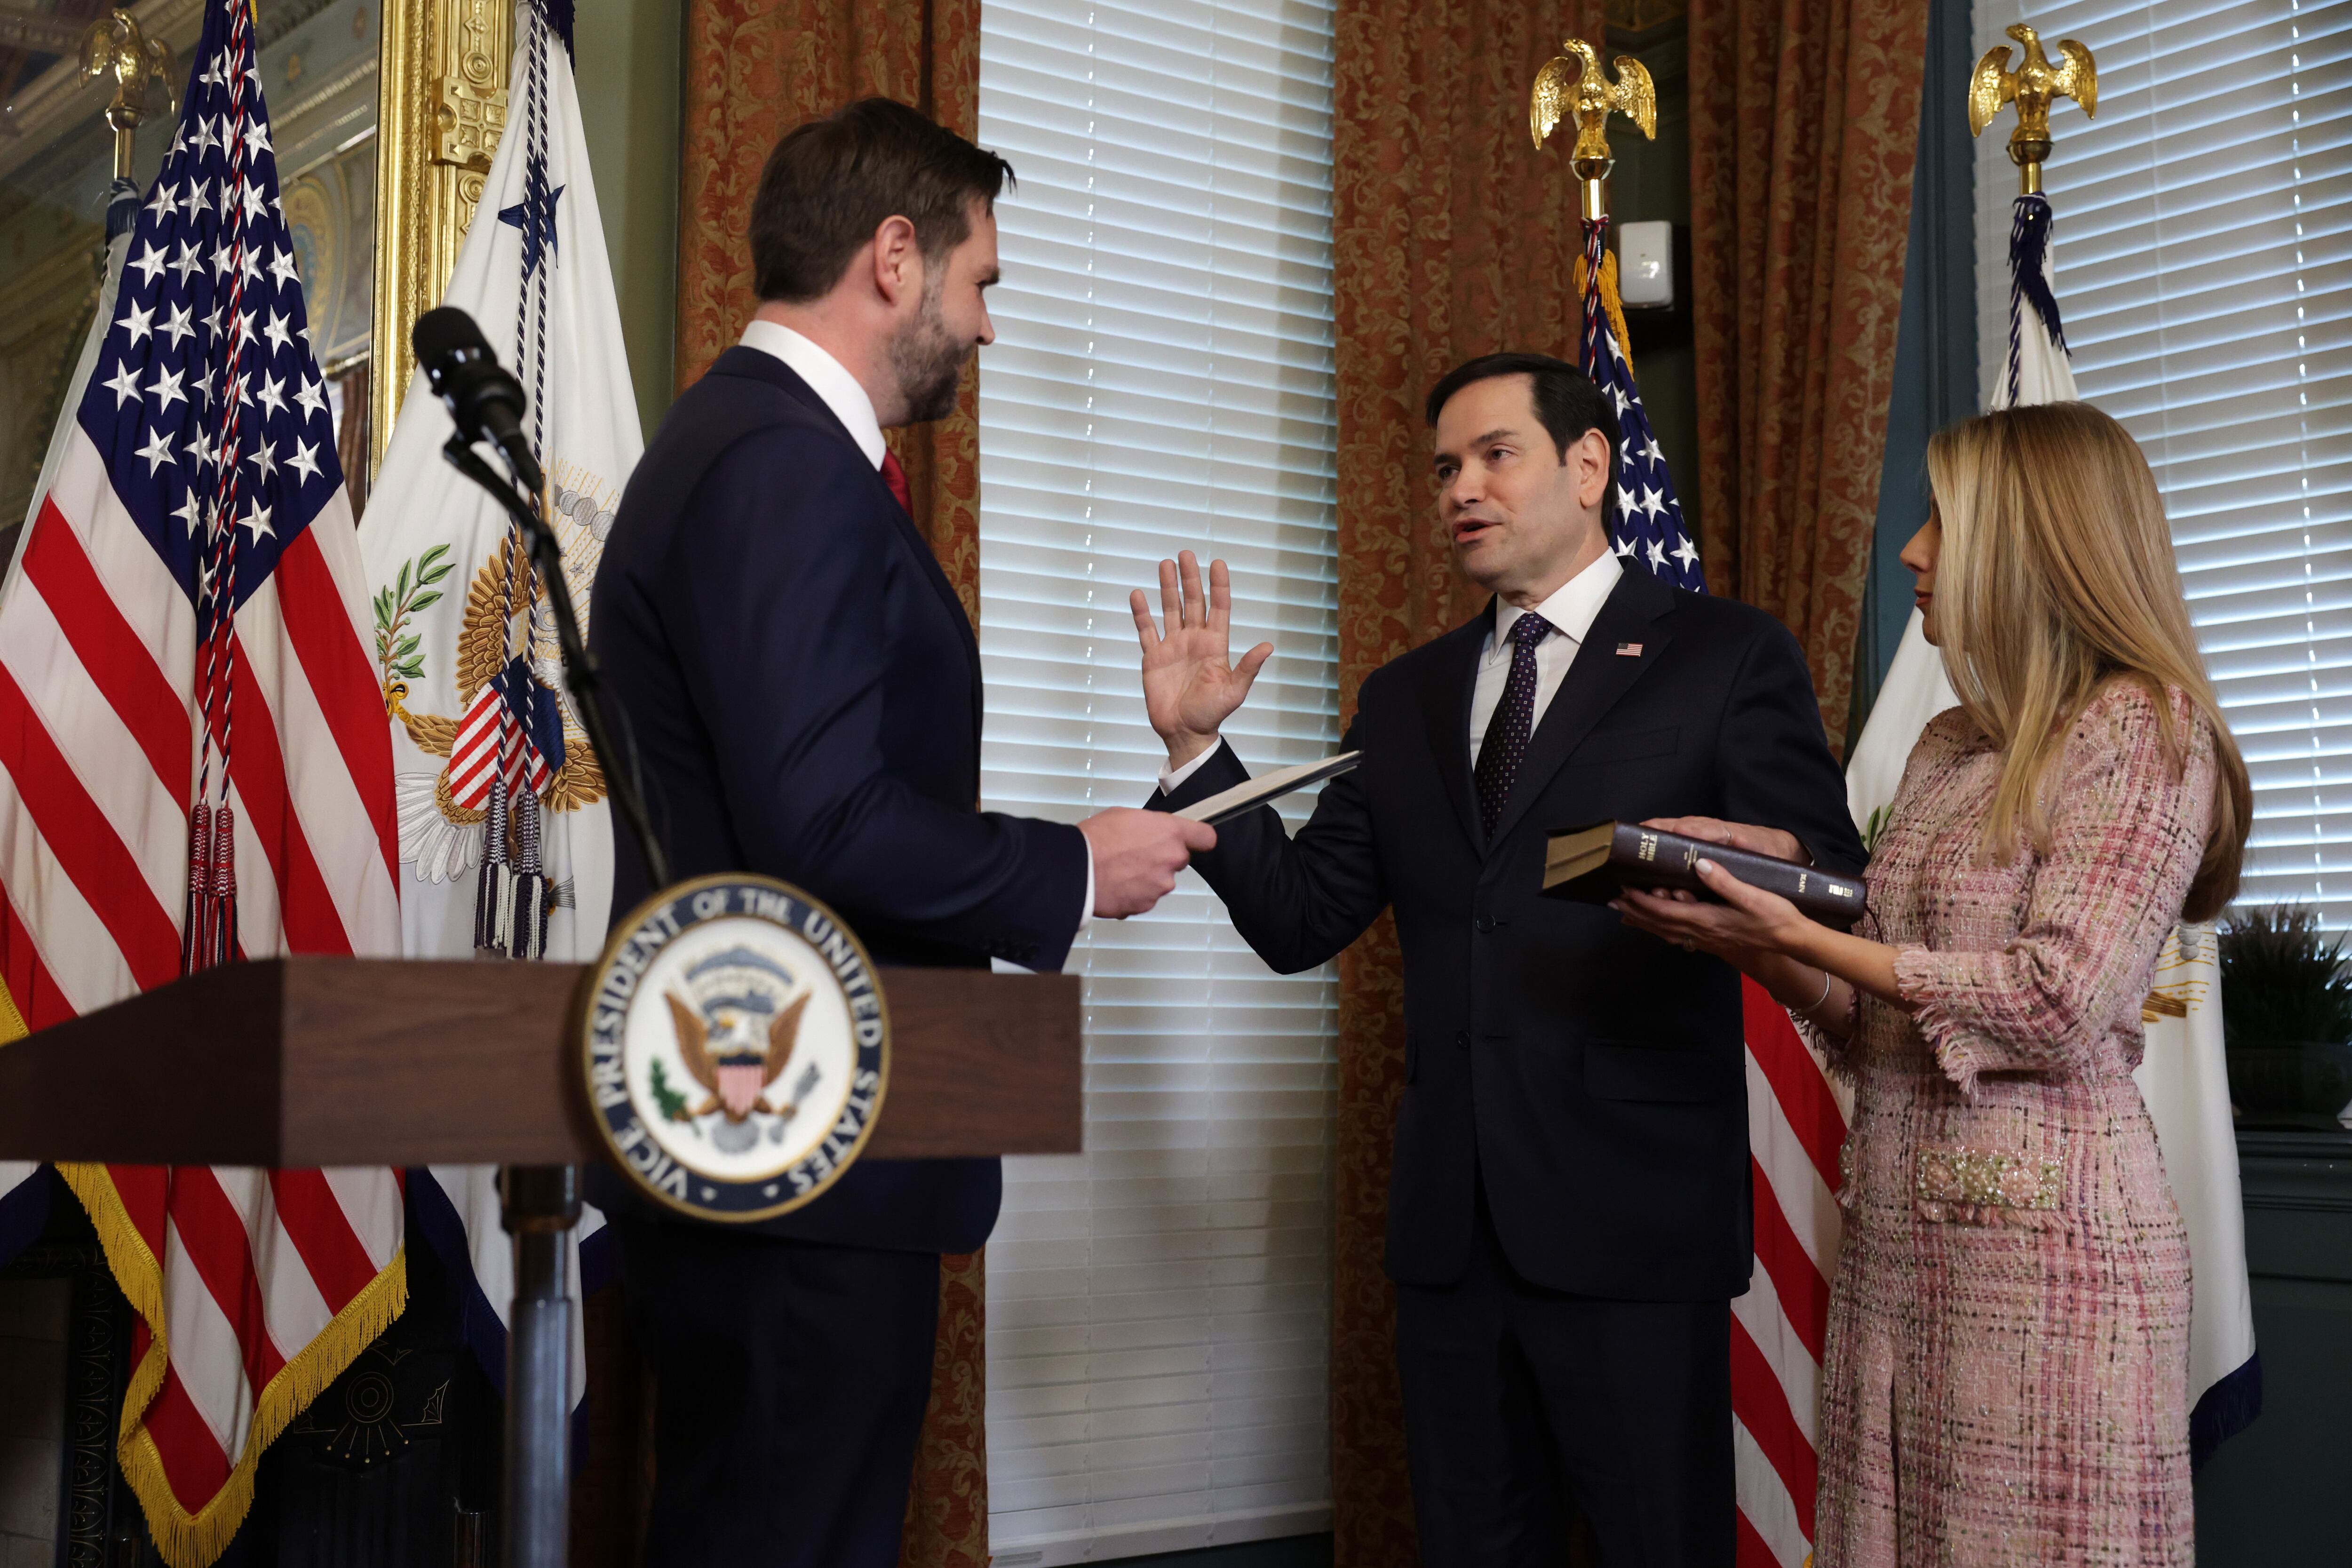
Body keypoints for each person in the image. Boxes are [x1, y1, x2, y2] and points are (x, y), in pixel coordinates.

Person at [588, 98, 1216, 1568]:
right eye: (982, 281)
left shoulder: (742, 442)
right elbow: (822, 819)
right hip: (799, 1138)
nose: (989, 327)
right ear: (893, 257)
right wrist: (1073, 866)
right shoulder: (781, 465)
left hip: (768, 1117)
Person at [1131, 351, 1866, 1565]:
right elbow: (1302, 917)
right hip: (1451, 1236)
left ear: (1588, 467)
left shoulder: (1723, 653)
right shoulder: (1406, 696)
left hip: (1632, 1224)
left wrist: (1746, 857)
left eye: (1492, 454)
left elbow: (1833, 880)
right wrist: (1201, 754)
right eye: (1441, 469)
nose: (1458, 488)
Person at [1614, 400, 2250, 1566]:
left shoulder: (2146, 730)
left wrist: (1810, 929)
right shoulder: (1951, 739)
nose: (1910, 548)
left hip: (2055, 1271)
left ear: (2034, 543)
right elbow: (1882, 1016)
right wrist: (1761, 938)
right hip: (1900, 1251)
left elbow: (2055, 1000)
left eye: (1942, 520)